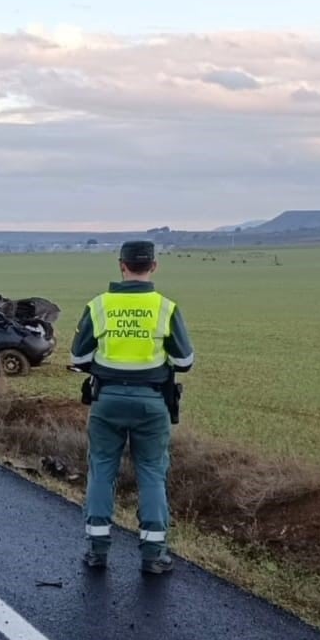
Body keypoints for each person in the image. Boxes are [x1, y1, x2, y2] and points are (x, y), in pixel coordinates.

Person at [70, 240, 194, 574]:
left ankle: (97, 552)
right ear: (154, 266)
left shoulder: (99, 305)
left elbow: (78, 358)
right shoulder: (166, 307)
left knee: (101, 470)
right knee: (152, 473)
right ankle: (154, 555)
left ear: (121, 265)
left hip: (107, 400)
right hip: (152, 402)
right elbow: (185, 360)